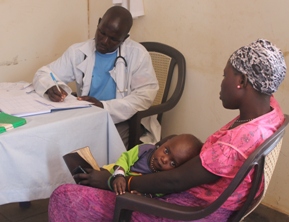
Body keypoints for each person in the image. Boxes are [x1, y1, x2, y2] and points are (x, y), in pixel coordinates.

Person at [48, 39, 286, 221]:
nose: (221, 82)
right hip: (209, 203)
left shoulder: (234, 144)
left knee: (65, 195)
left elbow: (175, 182)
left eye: (225, 75)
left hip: (187, 212)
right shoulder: (269, 115)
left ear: (242, 82)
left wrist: (113, 181)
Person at [32, 6, 159, 148]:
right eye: (102, 32)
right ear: (98, 23)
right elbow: (44, 73)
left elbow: (145, 96)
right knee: (56, 142)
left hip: (122, 119)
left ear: (125, 38)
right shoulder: (78, 51)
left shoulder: (138, 54)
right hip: (86, 115)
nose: (104, 41)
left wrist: (104, 106)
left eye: (113, 39)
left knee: (105, 153)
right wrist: (50, 86)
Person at [104, 134, 203, 196]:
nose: (164, 159)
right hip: (115, 175)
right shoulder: (145, 150)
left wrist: (146, 194)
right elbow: (125, 158)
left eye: (173, 163)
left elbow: (161, 191)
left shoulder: (165, 177)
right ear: (165, 142)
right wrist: (119, 175)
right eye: (166, 151)